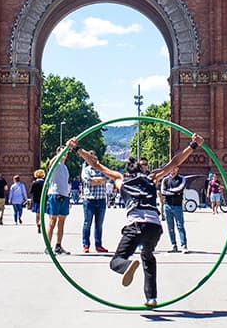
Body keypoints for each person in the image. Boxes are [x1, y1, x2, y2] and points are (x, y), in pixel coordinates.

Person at [73, 132, 204, 308]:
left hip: (135, 224)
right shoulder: (152, 177)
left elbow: (96, 164)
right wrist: (194, 145)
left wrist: (76, 148)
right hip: (154, 226)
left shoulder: (121, 179)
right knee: (148, 256)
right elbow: (175, 162)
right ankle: (151, 298)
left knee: (116, 260)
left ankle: (126, 265)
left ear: (127, 170)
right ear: (141, 168)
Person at [44, 154, 71, 254]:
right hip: (55, 194)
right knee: (52, 221)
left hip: (64, 195)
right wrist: (59, 154)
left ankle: (58, 245)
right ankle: (48, 246)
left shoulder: (65, 167)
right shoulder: (56, 164)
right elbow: (50, 164)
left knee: (61, 221)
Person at [80, 157, 109, 253]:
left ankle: (98, 245)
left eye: (95, 158)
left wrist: (95, 180)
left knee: (99, 224)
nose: (94, 160)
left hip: (101, 199)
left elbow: (106, 179)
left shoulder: (102, 169)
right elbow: (88, 181)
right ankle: (86, 245)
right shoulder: (86, 170)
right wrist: (99, 180)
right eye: (91, 158)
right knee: (87, 223)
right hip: (89, 200)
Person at [160, 167, 187, 253]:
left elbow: (180, 188)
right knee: (170, 227)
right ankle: (173, 245)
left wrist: (171, 191)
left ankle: (184, 245)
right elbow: (163, 191)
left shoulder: (181, 179)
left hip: (177, 206)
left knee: (180, 226)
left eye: (174, 168)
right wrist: (174, 193)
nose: (173, 170)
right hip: (167, 206)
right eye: (171, 168)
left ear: (177, 169)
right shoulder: (165, 180)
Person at [29, 169, 46, 234]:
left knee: (37, 214)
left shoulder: (34, 183)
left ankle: (38, 224)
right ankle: (41, 223)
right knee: (42, 214)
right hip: (43, 200)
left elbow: (31, 192)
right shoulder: (44, 183)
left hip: (36, 200)